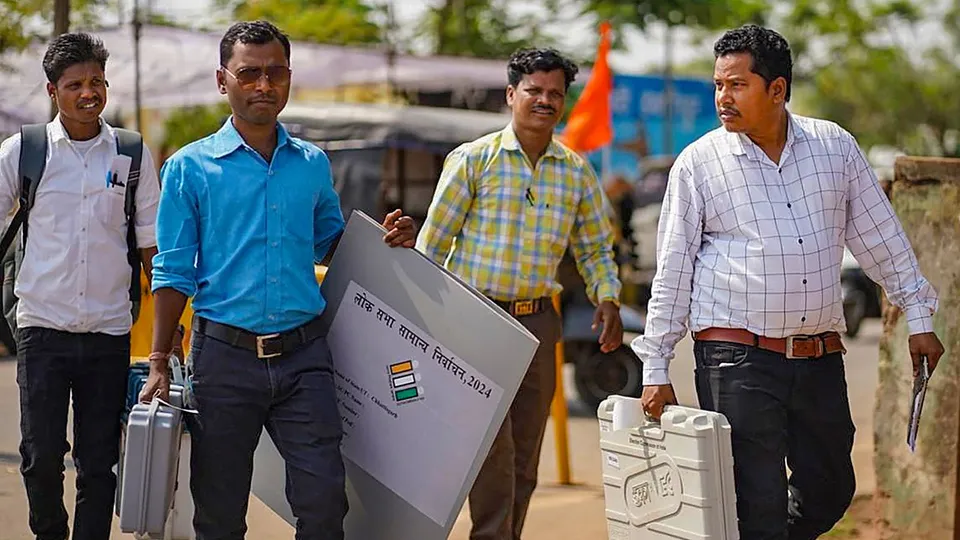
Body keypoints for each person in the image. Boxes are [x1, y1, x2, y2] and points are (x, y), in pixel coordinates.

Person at [633, 24, 945, 539]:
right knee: (758, 504)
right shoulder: (699, 164)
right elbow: (673, 269)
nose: (722, 98)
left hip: (819, 358)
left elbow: (881, 240)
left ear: (777, 89)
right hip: (735, 358)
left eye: (737, 85)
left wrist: (919, 317)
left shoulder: (834, 148)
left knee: (830, 489)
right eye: (718, 85)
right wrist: (655, 364)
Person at [139, 20, 416, 540]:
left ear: (289, 78)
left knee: (324, 504)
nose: (264, 85)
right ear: (223, 81)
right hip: (224, 360)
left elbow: (331, 243)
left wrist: (387, 240)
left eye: (276, 73)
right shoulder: (188, 168)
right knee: (219, 513)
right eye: (249, 74)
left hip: (304, 359)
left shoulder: (311, 164)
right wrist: (158, 361)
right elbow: (173, 270)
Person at [416, 47, 624, 540]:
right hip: (475, 320)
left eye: (556, 94)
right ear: (512, 95)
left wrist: (608, 297)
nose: (545, 101)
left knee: (527, 453)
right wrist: (424, 324)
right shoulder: (473, 160)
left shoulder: (576, 172)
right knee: (493, 452)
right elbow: (432, 246)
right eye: (534, 90)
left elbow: (595, 248)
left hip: (537, 325)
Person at [0, 33, 162, 540]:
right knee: (40, 457)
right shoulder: (23, 152)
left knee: (98, 464)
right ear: (53, 90)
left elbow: (152, 251)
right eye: (75, 85)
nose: (88, 93)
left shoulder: (132, 154)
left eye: (96, 82)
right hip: (42, 329)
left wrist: (165, 338)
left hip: (109, 330)